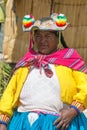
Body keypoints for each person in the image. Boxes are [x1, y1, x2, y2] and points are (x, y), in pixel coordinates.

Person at [0, 13, 87, 130]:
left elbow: (85, 88)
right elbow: (9, 94)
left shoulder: (71, 60)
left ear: (58, 38)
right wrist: (3, 122)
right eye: (38, 36)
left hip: (59, 123)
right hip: (23, 123)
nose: (42, 41)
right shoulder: (26, 63)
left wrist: (73, 111)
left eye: (48, 36)